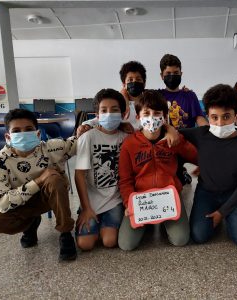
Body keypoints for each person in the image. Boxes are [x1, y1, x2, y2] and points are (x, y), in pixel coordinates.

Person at [0, 109, 79, 261]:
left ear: (37, 134)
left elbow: (82, 140)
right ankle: (30, 223)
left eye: (28, 129)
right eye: (16, 131)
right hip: (23, 203)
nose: (23, 134)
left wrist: (88, 124)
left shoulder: (52, 148)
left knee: (54, 179)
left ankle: (65, 233)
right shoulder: (0, 161)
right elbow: (0, 202)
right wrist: (39, 181)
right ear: (8, 137)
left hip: (50, 198)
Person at [117, 90, 198, 251]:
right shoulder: (129, 144)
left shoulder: (173, 139)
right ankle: (147, 225)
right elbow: (125, 180)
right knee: (126, 245)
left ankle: (162, 223)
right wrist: (128, 203)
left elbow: (195, 156)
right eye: (146, 113)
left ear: (164, 116)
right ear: (138, 117)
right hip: (142, 200)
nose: (152, 117)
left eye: (157, 113)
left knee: (180, 239)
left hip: (169, 197)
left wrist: (177, 140)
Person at [180, 84, 237, 247]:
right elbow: (174, 131)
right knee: (199, 236)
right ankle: (221, 215)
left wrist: (222, 213)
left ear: (236, 116)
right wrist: (168, 129)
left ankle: (228, 215)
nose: (220, 123)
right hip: (206, 193)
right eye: (214, 117)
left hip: (234, 193)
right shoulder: (201, 134)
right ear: (207, 116)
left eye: (226, 116)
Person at [74, 89, 128, 251]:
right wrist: (86, 208)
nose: (109, 114)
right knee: (85, 245)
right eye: (104, 110)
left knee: (109, 241)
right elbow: (79, 175)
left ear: (123, 114)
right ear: (96, 114)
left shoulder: (125, 138)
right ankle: (90, 219)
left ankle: (105, 226)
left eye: (115, 110)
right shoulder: (87, 137)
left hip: (114, 201)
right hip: (90, 201)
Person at [159, 53, 208, 185]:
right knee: (175, 181)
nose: (172, 76)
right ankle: (181, 172)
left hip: (187, 142)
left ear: (181, 74)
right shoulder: (158, 95)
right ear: (162, 76)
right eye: (168, 73)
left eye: (176, 72)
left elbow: (199, 118)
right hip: (168, 144)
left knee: (210, 162)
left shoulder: (189, 95)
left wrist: (210, 135)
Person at [83, 61, 147, 130]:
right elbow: (102, 118)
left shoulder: (150, 102)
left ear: (144, 83)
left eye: (138, 79)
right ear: (124, 85)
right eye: (130, 80)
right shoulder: (119, 104)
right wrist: (86, 125)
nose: (134, 82)